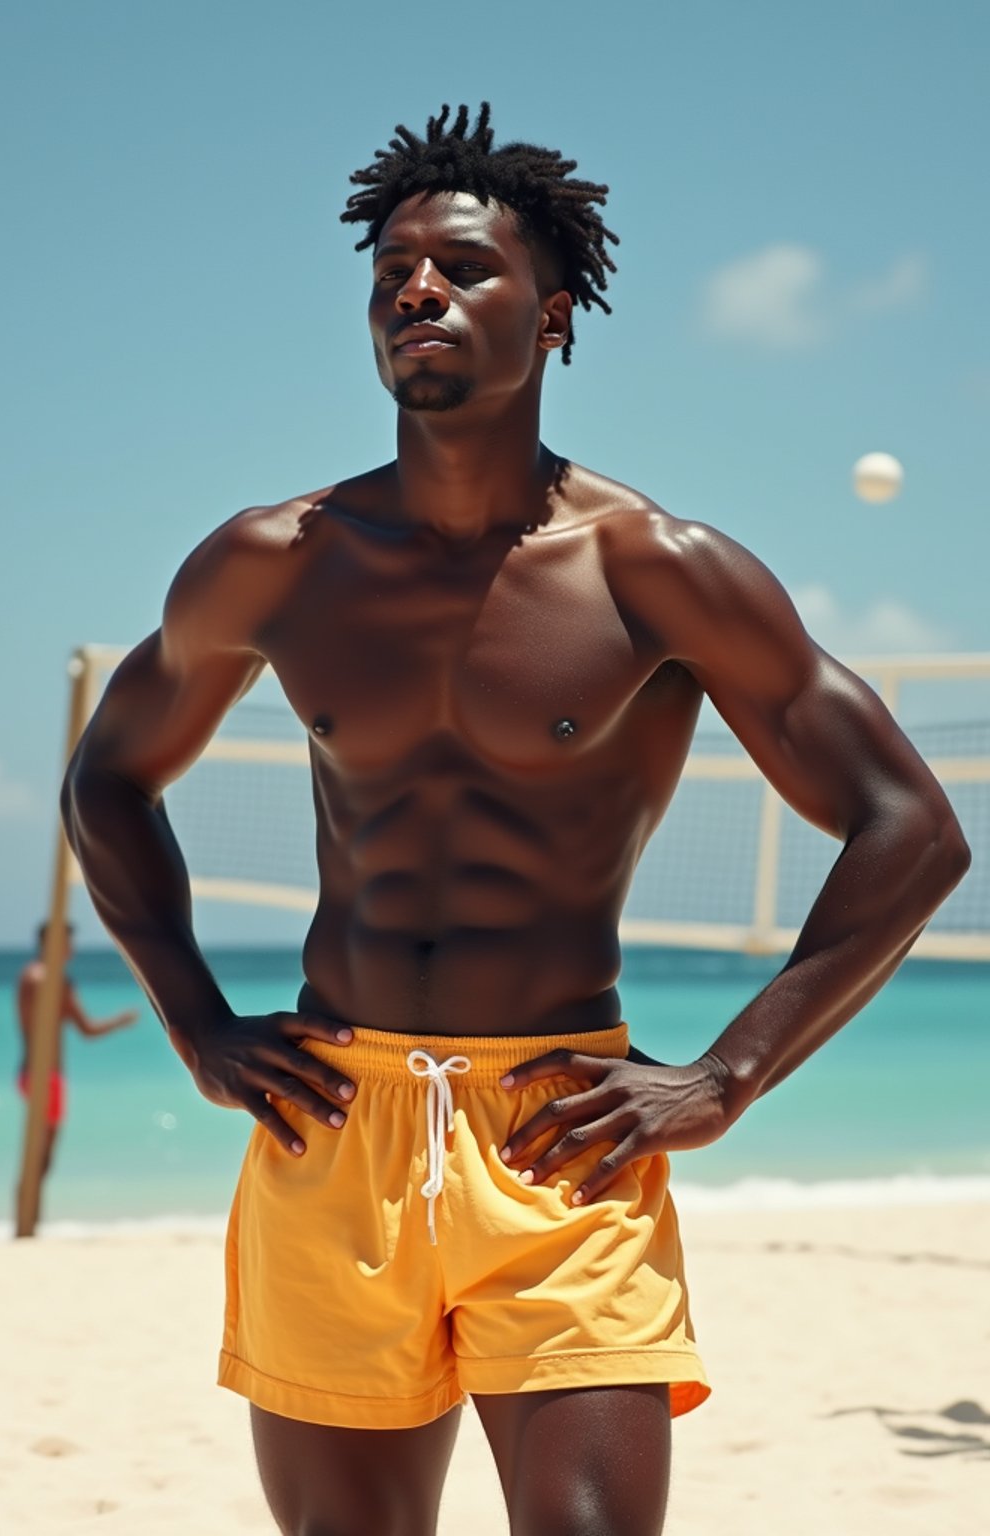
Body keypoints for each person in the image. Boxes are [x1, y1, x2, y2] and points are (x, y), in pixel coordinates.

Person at [60, 103, 970, 1536]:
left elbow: (911, 826)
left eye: (462, 269)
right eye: (393, 273)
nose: (417, 290)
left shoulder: (653, 568)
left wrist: (729, 1076)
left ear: (551, 319)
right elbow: (107, 777)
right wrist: (195, 1020)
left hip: (560, 1134)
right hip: (332, 1119)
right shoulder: (273, 561)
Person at [16, 921, 137, 1209]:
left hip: (41, 1075)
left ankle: (29, 1218)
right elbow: (82, 1029)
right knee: (38, 1155)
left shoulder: (43, 979)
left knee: (42, 1155)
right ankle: (25, 1219)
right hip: (42, 1075)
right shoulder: (42, 979)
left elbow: (87, 1030)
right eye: (67, 942)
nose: (72, 949)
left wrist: (117, 1022)